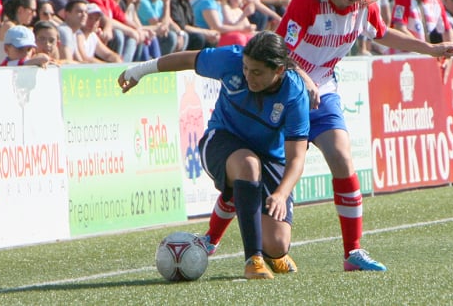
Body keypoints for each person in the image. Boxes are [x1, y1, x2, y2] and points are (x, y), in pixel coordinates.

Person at [200, 0, 453, 272]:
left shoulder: (365, 5)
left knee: (341, 156)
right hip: (286, 92)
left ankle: (352, 252)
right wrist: (305, 80)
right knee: (248, 173)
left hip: (323, 92)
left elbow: (383, 34)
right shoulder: (310, 0)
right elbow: (280, 52)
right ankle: (210, 238)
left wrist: (428, 48)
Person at [117, 31, 310, 280]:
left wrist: (281, 194)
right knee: (247, 166)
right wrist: (138, 71)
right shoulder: (230, 60)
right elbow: (187, 60)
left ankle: (253, 242)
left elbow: (296, 157)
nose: (248, 77)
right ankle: (253, 259)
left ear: (279, 70)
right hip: (220, 140)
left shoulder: (295, 93)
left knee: (277, 244)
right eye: (246, 68)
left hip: (269, 155)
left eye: (257, 72)